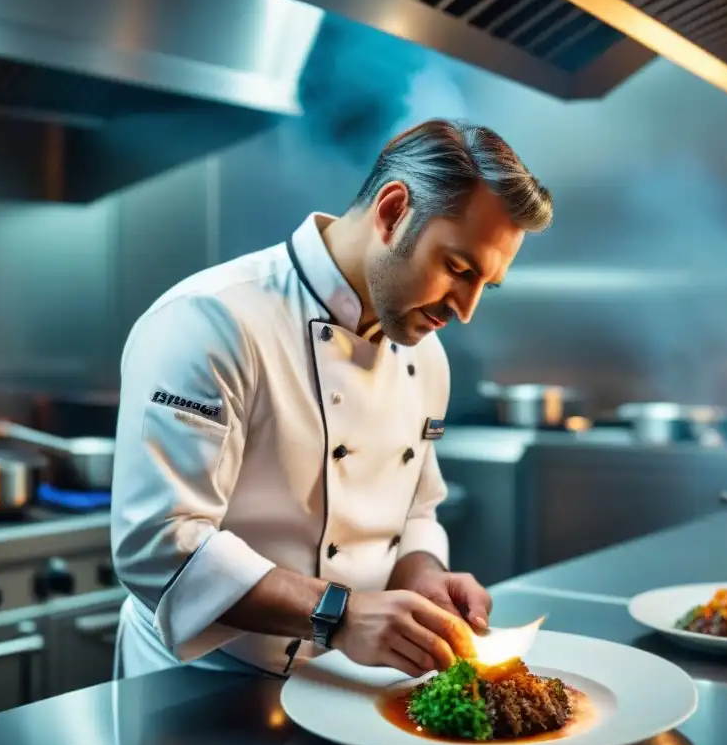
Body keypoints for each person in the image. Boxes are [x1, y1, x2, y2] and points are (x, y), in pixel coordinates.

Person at [110, 119, 554, 680]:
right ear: (392, 213)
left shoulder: (428, 356)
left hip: (347, 680)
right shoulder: (212, 320)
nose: (464, 311)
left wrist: (422, 571)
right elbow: (160, 545)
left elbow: (415, 507)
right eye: (457, 269)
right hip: (201, 680)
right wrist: (338, 616)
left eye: (483, 286)